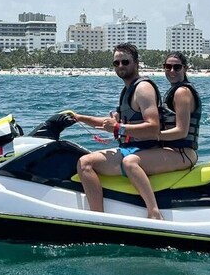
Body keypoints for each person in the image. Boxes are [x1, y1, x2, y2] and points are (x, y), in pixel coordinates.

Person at [71, 44, 193, 220]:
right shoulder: (127, 90)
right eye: (116, 63)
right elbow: (111, 124)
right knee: (83, 158)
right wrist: (78, 118)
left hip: (142, 150)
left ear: (136, 63)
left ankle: (99, 218)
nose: (120, 66)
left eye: (125, 62)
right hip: (132, 148)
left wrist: (119, 127)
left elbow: (153, 126)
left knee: (85, 163)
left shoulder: (143, 88)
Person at [158, 52, 200, 170]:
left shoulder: (182, 92)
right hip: (173, 152)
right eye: (168, 67)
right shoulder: (174, 91)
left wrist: (151, 136)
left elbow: (181, 132)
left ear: (185, 68)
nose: (172, 71)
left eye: (177, 67)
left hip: (182, 154)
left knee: (131, 163)